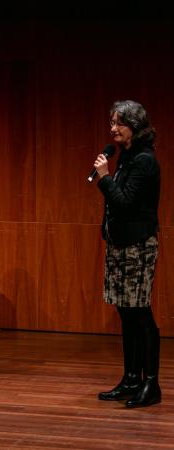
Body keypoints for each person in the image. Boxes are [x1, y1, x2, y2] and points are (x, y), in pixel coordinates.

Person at [94, 100, 161, 408]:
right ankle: (131, 378)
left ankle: (151, 384)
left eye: (118, 123)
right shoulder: (127, 156)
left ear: (134, 126)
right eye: (112, 122)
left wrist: (105, 177)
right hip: (119, 244)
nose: (112, 128)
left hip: (137, 246)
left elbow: (126, 203)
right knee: (125, 311)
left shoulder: (145, 160)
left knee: (140, 313)